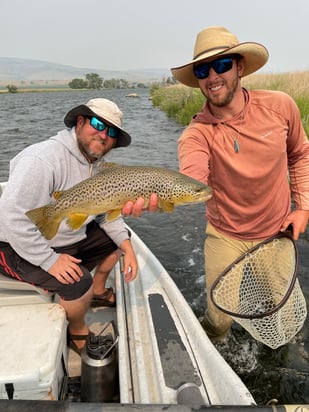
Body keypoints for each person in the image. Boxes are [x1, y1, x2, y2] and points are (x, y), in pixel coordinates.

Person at [170, 26, 309, 340]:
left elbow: (300, 154)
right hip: (225, 234)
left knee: (283, 313)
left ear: (240, 67)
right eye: (203, 70)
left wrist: (303, 208)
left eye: (221, 65)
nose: (212, 76)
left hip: (276, 232)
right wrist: (160, 193)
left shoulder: (281, 107)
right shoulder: (197, 134)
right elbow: (192, 178)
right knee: (218, 319)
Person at [0, 97, 156, 354]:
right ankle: (77, 329)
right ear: (80, 122)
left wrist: (127, 247)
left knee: (117, 239)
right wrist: (49, 260)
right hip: (12, 247)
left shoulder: (97, 166)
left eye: (112, 131)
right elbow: (12, 218)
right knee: (77, 282)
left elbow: (108, 215)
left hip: (62, 238)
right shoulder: (42, 159)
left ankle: (98, 290)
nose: (104, 134)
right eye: (98, 124)